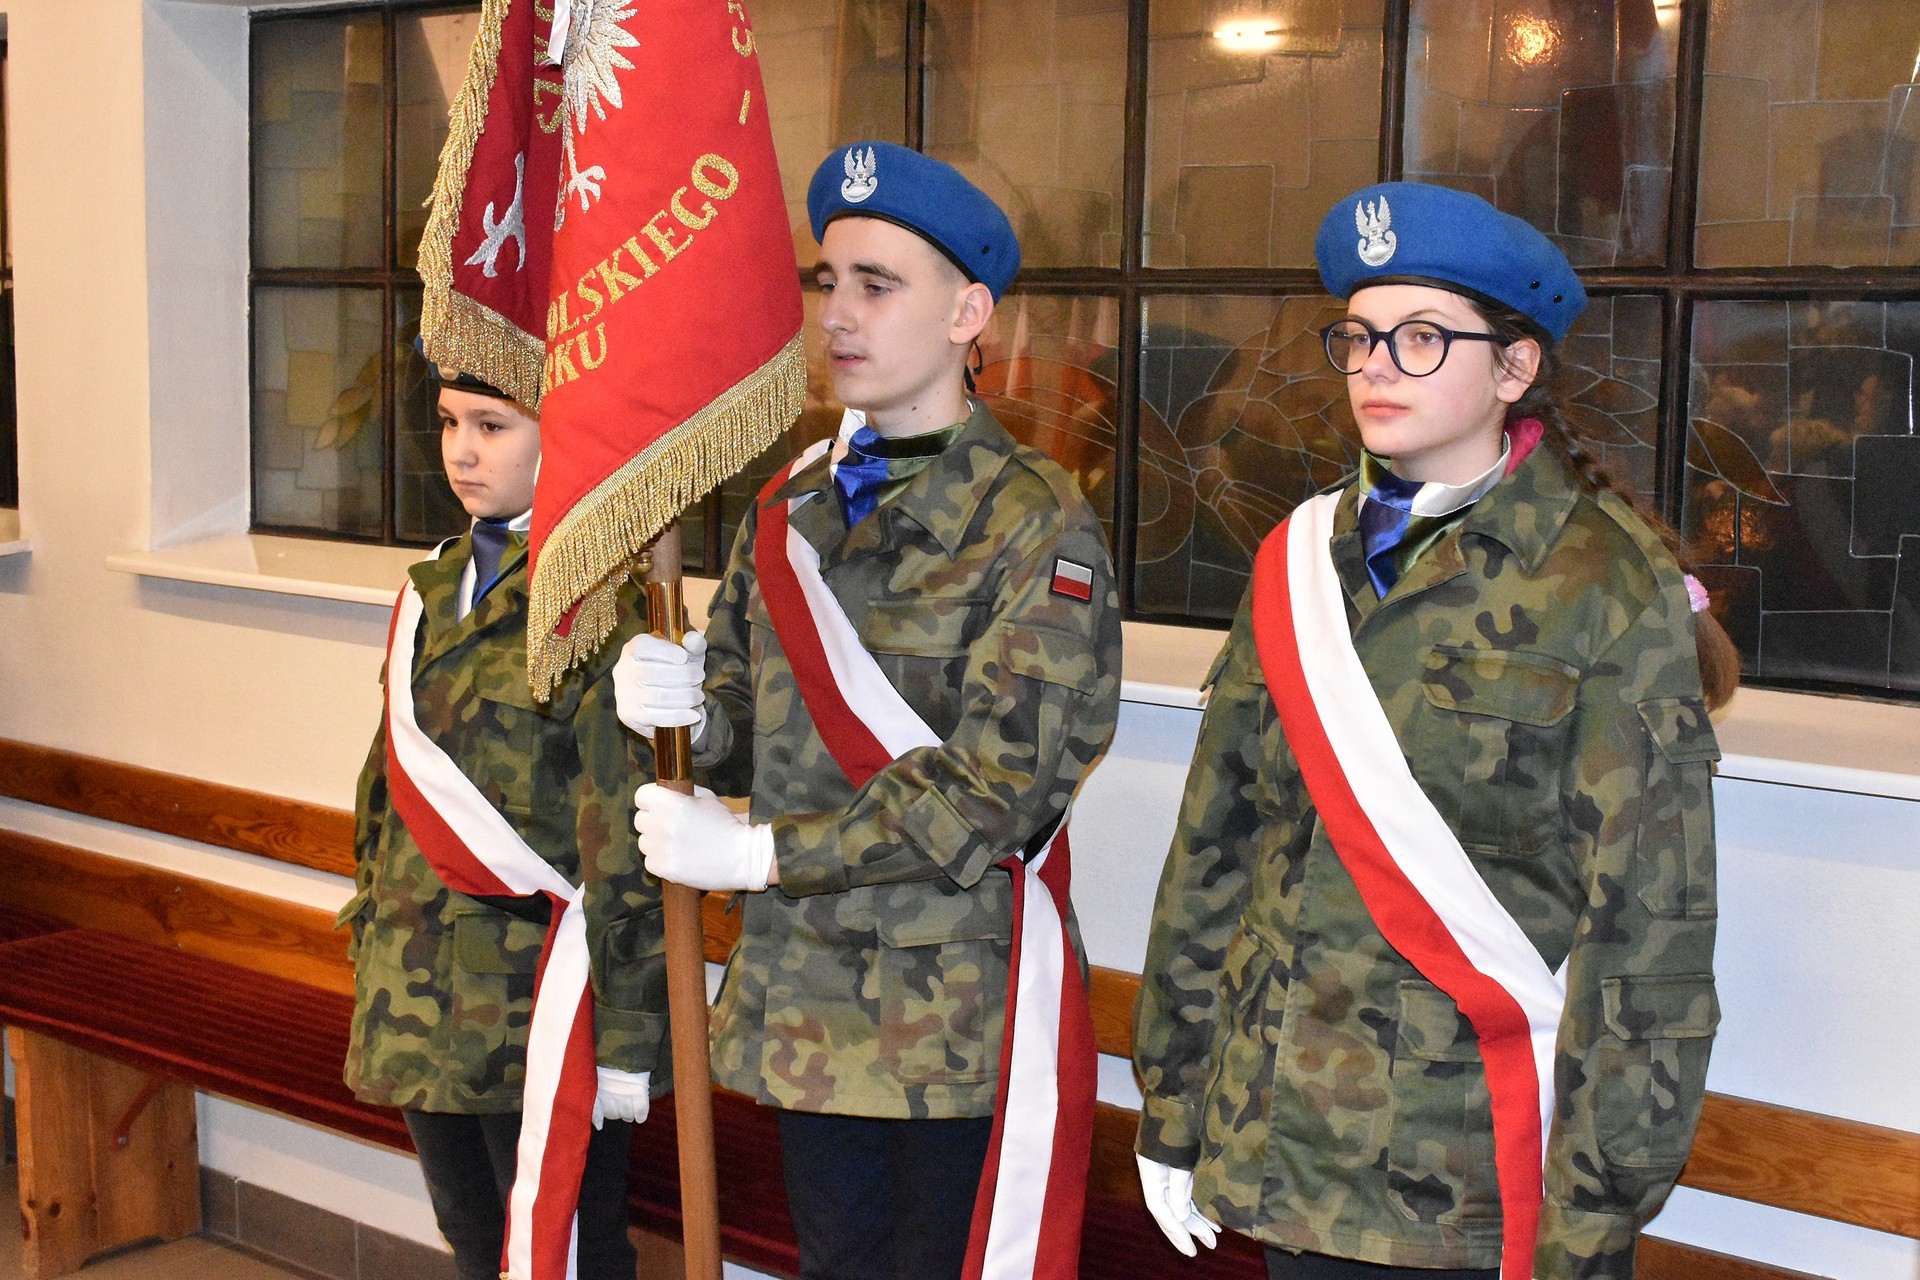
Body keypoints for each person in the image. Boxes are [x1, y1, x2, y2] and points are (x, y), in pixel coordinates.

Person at [1131, 182, 1735, 1280]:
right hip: (1276, 1144)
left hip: (1463, 1177)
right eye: (1360, 336)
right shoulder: (1298, 559)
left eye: (1421, 337)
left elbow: (1648, 938)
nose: (1375, 366)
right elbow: (1214, 850)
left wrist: (1590, 1222)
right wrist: (1173, 1102)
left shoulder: (1602, 585)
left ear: (1515, 366)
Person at [613, 141, 1122, 1280]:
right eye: (827, 281)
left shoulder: (1034, 524)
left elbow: (995, 790)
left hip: (947, 1015)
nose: (838, 314)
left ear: (967, 313)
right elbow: (744, 719)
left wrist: (760, 853)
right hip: (809, 1003)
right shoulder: (792, 503)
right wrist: (676, 707)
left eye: (878, 285)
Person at [340, 357, 668, 1280]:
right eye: (450, 422)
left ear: (562, 436)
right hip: (417, 984)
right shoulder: (433, 588)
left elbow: (624, 845)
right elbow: (383, 790)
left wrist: (626, 1037)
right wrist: (369, 931)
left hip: (535, 1000)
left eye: (492, 426)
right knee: (475, 1238)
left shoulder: (599, 610)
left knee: (569, 1246)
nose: (461, 451)